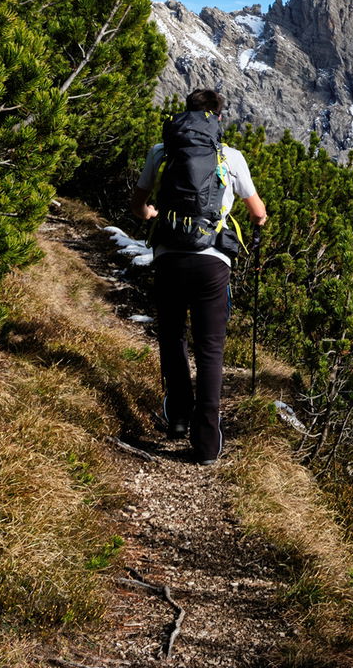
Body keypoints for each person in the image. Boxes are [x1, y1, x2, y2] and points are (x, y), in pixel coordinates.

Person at [129, 88, 267, 464]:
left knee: (173, 335)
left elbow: (139, 205)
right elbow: (257, 211)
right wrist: (256, 222)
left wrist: (154, 216)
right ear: (218, 118)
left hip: (169, 257)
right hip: (212, 263)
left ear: (186, 114)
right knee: (210, 348)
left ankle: (177, 417)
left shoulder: (162, 152)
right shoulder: (230, 156)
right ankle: (206, 442)